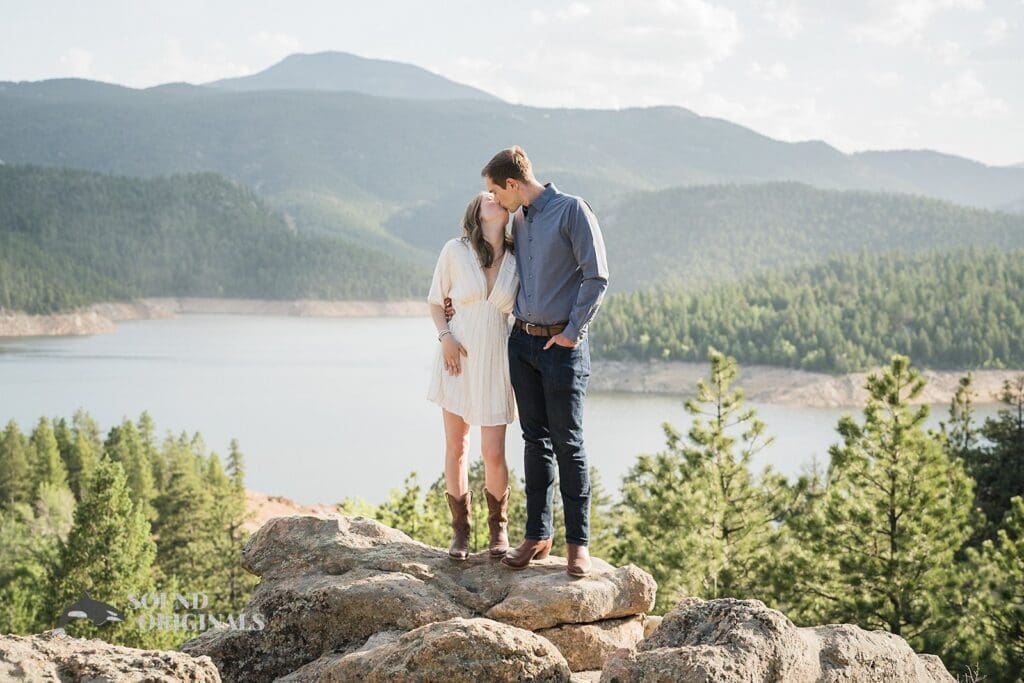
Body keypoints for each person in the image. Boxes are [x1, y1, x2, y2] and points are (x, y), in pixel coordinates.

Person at [451, 145, 609, 577]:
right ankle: (537, 534)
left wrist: (572, 332)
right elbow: (481, 262)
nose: (493, 200)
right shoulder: (516, 221)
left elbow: (596, 277)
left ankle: (579, 544)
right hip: (521, 344)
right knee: (534, 442)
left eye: (495, 192)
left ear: (514, 185)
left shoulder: (573, 211)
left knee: (569, 445)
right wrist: (451, 313)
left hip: (563, 348)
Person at [427, 191, 520, 561]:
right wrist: (445, 336)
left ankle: (499, 529)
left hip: (497, 360)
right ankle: (461, 532)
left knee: (493, 452)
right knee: (457, 447)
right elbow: (436, 300)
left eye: (499, 196)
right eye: (487, 197)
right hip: (457, 358)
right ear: (476, 213)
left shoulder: (517, 256)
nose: (495, 198)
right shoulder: (455, 251)